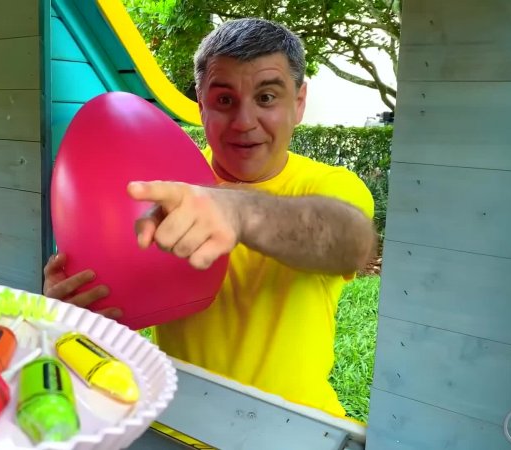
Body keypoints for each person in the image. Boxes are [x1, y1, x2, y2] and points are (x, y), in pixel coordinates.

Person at [43, 18, 376, 419]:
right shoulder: (166, 181)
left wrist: (237, 210)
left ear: (299, 102)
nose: (244, 122)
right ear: (201, 105)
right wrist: (74, 309)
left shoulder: (329, 186)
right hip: (179, 423)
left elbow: (349, 242)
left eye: (266, 97)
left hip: (294, 428)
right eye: (224, 100)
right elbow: (123, 307)